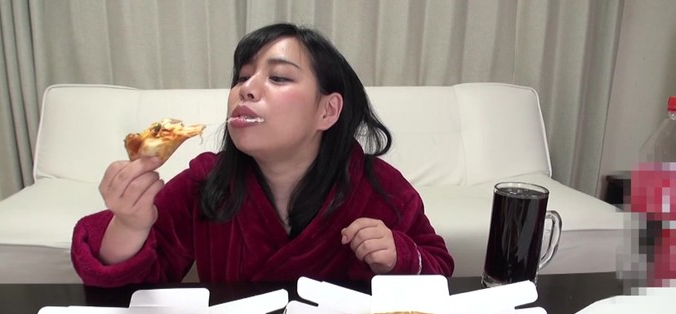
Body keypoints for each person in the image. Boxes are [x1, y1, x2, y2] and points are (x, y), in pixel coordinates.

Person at [71, 23, 454, 287]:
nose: (246, 89)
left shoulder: (378, 186)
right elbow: (132, 289)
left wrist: (398, 255)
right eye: (242, 77)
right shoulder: (206, 183)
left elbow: (439, 271)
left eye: (279, 77)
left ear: (327, 111)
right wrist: (129, 224)